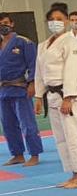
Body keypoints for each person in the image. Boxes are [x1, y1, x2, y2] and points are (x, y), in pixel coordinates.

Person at [34, 7, 77, 188]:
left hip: (68, 96)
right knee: (61, 138)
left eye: (59, 18)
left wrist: (68, 97)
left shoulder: (71, 42)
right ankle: (72, 173)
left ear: (66, 21)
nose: (55, 22)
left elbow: (73, 70)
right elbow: (39, 72)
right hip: (51, 95)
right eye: (52, 19)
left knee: (74, 136)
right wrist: (38, 96)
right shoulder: (43, 45)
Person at [0, 13, 41, 166]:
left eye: (5, 23)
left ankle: (34, 154)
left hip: (20, 88)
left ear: (12, 24)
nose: (3, 26)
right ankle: (17, 154)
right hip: (3, 90)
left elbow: (33, 64)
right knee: (8, 125)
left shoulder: (24, 42)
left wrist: (32, 83)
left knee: (27, 124)